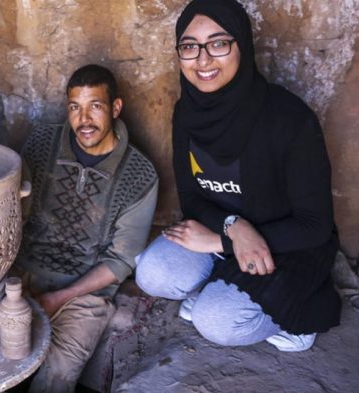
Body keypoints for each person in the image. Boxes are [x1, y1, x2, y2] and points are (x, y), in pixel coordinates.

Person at [135, 0, 341, 352]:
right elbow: (191, 196)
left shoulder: (290, 119)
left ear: (241, 45)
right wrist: (232, 227)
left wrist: (222, 242)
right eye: (190, 47)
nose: (203, 60)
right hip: (224, 230)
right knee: (152, 273)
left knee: (216, 322)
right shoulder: (187, 113)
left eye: (218, 43)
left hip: (288, 247)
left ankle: (296, 315)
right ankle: (224, 282)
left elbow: (315, 226)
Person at [17, 64, 158, 392]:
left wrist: (58, 298)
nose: (84, 120)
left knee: (57, 374)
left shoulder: (139, 175)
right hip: (22, 273)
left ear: (115, 108)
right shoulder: (42, 144)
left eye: (95, 106)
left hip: (85, 295)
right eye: (74, 108)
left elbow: (120, 261)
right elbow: (12, 213)